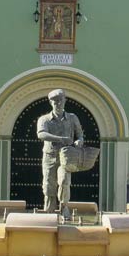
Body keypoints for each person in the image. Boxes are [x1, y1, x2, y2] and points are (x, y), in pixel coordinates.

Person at [36, 89, 83, 217]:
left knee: (64, 181)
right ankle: (49, 209)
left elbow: (80, 135)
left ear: (65, 101)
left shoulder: (72, 118)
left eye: (60, 100)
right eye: (55, 101)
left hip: (66, 157)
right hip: (50, 156)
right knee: (48, 184)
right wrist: (61, 139)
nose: (58, 103)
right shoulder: (44, 119)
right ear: (50, 103)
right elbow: (41, 134)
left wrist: (79, 141)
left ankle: (64, 206)